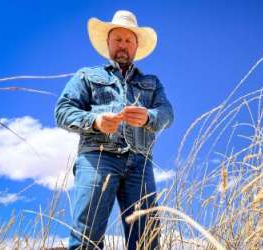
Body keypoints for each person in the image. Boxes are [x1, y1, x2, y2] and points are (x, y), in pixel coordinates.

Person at [55, 10, 174, 250]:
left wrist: (148, 117)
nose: (123, 45)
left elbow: (167, 114)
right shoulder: (87, 76)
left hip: (140, 163)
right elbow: (63, 111)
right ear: (108, 43)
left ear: (136, 46)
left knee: (146, 241)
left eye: (128, 40)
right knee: (86, 238)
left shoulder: (152, 82)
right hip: (97, 157)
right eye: (118, 39)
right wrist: (95, 121)